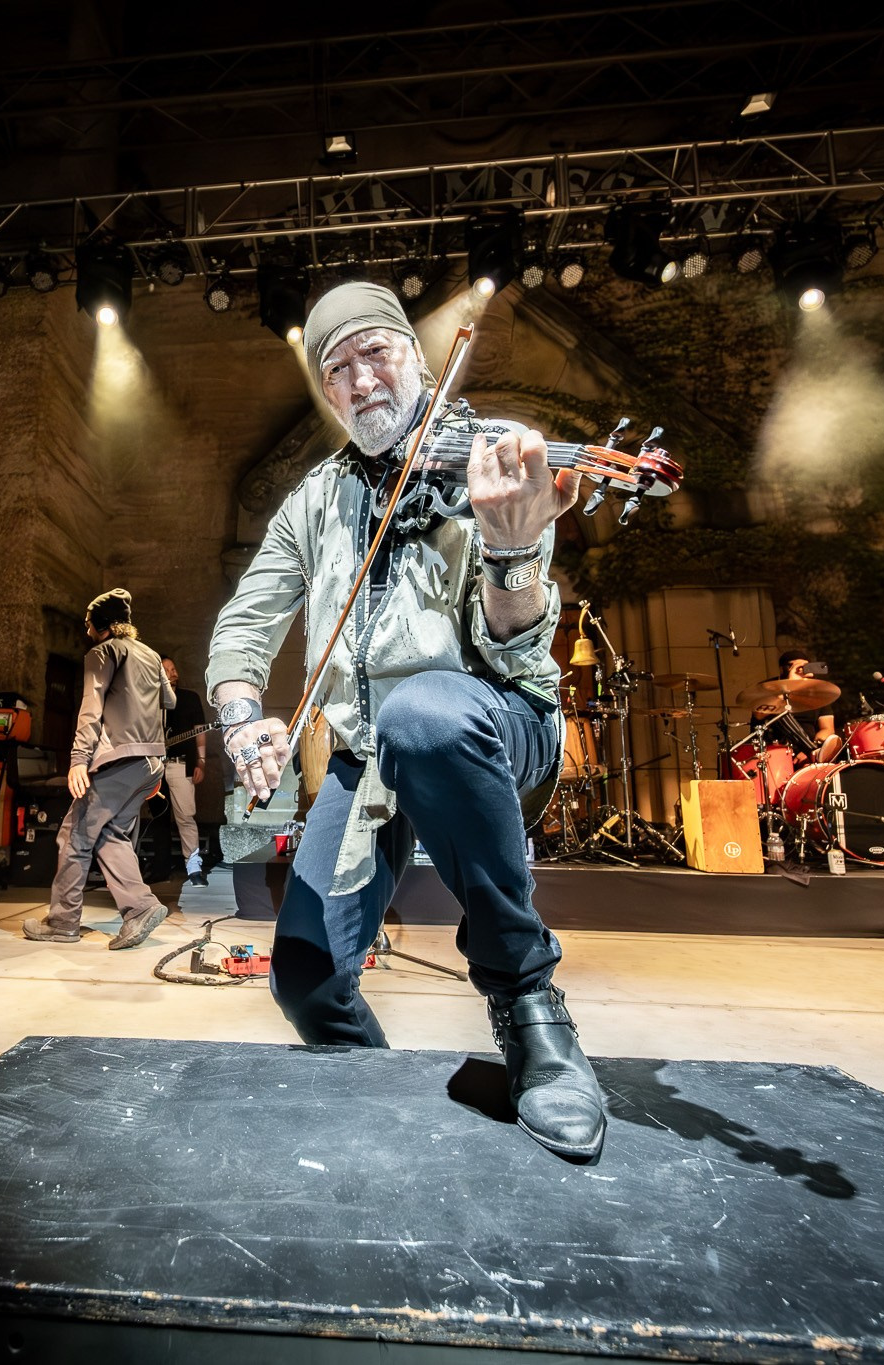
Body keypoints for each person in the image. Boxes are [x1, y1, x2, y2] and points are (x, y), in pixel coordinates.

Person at [206, 279, 604, 1161]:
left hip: (494, 721)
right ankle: (380, 1091)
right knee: (305, 980)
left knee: (424, 709)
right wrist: (242, 720)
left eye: (374, 353)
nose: (359, 380)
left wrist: (509, 550)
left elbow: (514, 652)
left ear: (417, 357)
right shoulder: (317, 496)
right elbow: (245, 623)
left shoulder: (493, 458)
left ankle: (530, 1007)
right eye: (336, 369)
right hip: (368, 754)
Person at [22, 589, 177, 950]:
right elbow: (169, 699)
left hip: (119, 760)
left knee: (74, 835)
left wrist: (78, 760)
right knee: (111, 835)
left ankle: (63, 922)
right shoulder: (151, 655)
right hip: (151, 763)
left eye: (89, 623)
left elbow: (90, 709)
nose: (86, 629)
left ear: (103, 626)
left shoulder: (102, 652)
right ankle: (140, 908)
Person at [160, 655, 209, 884]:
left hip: (181, 763)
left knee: (186, 816)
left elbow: (200, 731)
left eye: (174, 669)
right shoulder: (150, 700)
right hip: (153, 765)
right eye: (167, 670)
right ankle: (159, 868)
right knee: (157, 817)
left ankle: (193, 868)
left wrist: (201, 761)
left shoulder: (190, 698)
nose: (173, 673)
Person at [751, 650, 842, 764]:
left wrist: (812, 748)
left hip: (808, 750)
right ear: (783, 669)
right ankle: (812, 751)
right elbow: (758, 715)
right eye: (796, 667)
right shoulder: (768, 687)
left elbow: (827, 728)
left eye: (805, 667)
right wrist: (788, 685)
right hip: (776, 750)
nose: (802, 670)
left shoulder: (817, 691)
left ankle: (813, 751)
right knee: (780, 711)